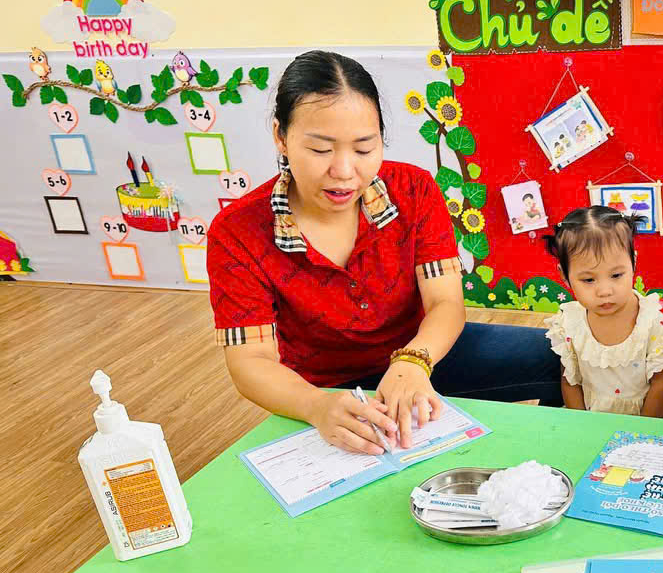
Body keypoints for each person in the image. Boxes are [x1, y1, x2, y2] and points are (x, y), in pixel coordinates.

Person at [207, 50, 561, 455]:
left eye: (363, 149)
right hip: (324, 390)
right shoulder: (236, 231)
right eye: (320, 149)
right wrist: (315, 406)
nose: (344, 171)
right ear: (281, 137)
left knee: (563, 357)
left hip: (424, 352)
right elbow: (250, 361)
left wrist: (413, 361)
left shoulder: (414, 189)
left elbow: (445, 303)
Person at [545, 206, 663, 420]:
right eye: (589, 280)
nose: (605, 291)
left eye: (616, 275)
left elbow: (662, 383)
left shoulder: (652, 323)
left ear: (633, 263)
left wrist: (639, 430)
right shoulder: (569, 323)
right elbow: (570, 380)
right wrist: (582, 424)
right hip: (594, 418)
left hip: (649, 419)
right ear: (564, 275)